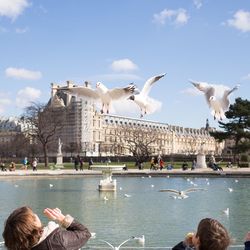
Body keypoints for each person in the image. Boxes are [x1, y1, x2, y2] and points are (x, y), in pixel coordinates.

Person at [2, 206, 91, 250]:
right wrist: (63, 219)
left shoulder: (20, 245)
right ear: (34, 226)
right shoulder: (58, 240)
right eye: (33, 217)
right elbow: (85, 233)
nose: (36, 215)